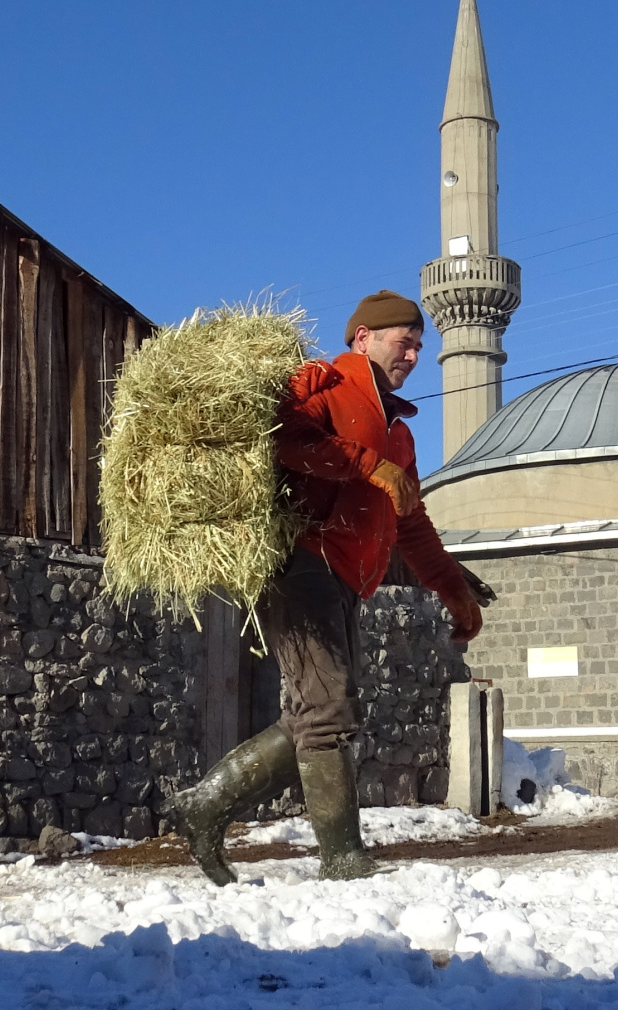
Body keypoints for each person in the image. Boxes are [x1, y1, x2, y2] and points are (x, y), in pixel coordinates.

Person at [165, 290, 485, 884]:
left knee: (318, 716)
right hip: (300, 562)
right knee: (328, 712)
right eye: (403, 342)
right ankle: (342, 856)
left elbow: (410, 523)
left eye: (419, 346)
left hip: (347, 578)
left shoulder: (400, 434)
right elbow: (279, 442)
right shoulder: (325, 386)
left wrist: (452, 590)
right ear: (363, 338)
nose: (413, 354)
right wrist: (366, 464)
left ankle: (203, 804)